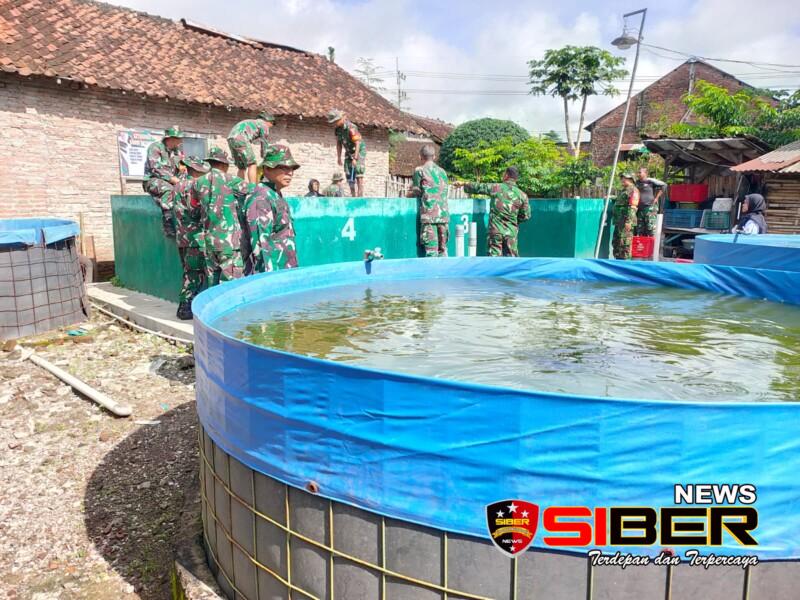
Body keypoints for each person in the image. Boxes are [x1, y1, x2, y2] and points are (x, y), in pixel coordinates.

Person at [240, 145, 300, 273]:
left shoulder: (274, 194)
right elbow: (261, 247)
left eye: (291, 168)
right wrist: (270, 279)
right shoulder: (261, 197)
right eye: (283, 168)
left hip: (284, 270)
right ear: (267, 169)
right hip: (272, 274)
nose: (290, 173)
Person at [194, 147, 246, 286]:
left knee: (213, 285)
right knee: (232, 285)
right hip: (229, 242)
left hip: (209, 241)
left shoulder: (198, 182)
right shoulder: (230, 180)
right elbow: (251, 192)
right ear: (224, 165)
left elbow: (194, 207)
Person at [454, 167, 530, 257]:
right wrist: (512, 222)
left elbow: (480, 187)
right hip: (511, 233)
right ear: (515, 178)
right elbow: (526, 216)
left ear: (506, 175)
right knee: (512, 260)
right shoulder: (522, 195)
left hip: (495, 231)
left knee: (494, 260)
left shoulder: (496, 188)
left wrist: (464, 184)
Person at [169, 156, 210, 320]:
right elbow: (196, 210)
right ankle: (189, 308)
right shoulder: (195, 186)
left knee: (189, 273)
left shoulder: (178, 186)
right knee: (198, 274)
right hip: (196, 238)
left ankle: (185, 307)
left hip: (183, 237)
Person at [142, 126, 185, 237]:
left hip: (172, 181)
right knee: (169, 189)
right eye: (178, 139)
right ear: (170, 138)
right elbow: (155, 168)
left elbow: (182, 168)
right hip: (152, 180)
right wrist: (172, 179)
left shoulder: (177, 152)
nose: (180, 141)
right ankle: (167, 222)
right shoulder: (155, 148)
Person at [407, 144, 449, 257]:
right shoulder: (443, 172)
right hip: (443, 217)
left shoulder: (420, 171)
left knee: (431, 253)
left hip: (429, 217)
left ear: (420, 156)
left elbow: (416, 191)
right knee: (443, 251)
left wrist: (408, 194)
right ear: (434, 157)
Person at [226, 111, 276, 183]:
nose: (271, 126)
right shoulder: (264, 125)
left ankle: (239, 185)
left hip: (231, 138)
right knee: (252, 164)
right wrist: (265, 157)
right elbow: (264, 143)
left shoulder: (252, 122)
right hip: (241, 138)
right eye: (272, 124)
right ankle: (253, 186)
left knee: (241, 167)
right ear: (269, 121)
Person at [327, 109, 366, 197]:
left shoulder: (351, 127)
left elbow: (357, 143)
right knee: (348, 173)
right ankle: (353, 197)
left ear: (341, 118)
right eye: (333, 122)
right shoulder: (337, 130)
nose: (334, 124)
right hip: (349, 152)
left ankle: (360, 197)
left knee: (358, 172)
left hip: (358, 151)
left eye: (336, 121)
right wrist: (339, 157)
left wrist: (355, 158)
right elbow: (339, 144)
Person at [613, 173, 640, 260]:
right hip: (619, 221)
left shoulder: (633, 190)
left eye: (625, 178)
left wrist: (629, 221)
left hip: (626, 221)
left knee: (625, 244)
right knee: (617, 243)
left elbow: (633, 207)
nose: (622, 180)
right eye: (622, 178)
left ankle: (626, 263)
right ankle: (618, 262)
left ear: (631, 179)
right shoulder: (624, 190)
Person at [635, 167, 667, 237]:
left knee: (651, 229)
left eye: (640, 172)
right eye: (638, 172)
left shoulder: (650, 181)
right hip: (640, 209)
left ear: (645, 173)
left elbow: (664, 185)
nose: (638, 174)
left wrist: (656, 198)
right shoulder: (637, 182)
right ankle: (642, 243)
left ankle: (652, 243)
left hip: (650, 208)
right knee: (640, 230)